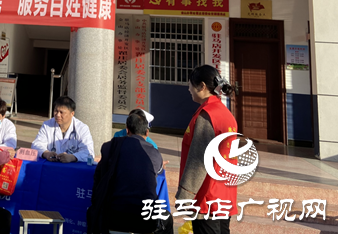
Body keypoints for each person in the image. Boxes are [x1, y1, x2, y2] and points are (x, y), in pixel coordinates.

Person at [177, 65, 238, 234]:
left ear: (202, 86)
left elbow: (199, 159)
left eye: (190, 84)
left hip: (207, 196)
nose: (189, 89)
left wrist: (185, 195)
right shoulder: (226, 114)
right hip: (224, 194)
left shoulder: (207, 115)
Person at [88, 112, 165, 234]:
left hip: (113, 215)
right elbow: (157, 172)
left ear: (127, 130)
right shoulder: (154, 153)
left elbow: (98, 178)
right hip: (145, 218)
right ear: (147, 132)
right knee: (167, 221)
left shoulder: (110, 147)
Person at [31, 96, 94, 163]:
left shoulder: (82, 128)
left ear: (72, 114)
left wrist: (73, 157)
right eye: (56, 111)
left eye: (61, 112)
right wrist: (46, 153)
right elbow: (36, 145)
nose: (58, 115)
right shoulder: (47, 125)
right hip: (51, 165)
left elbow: (89, 152)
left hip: (73, 167)